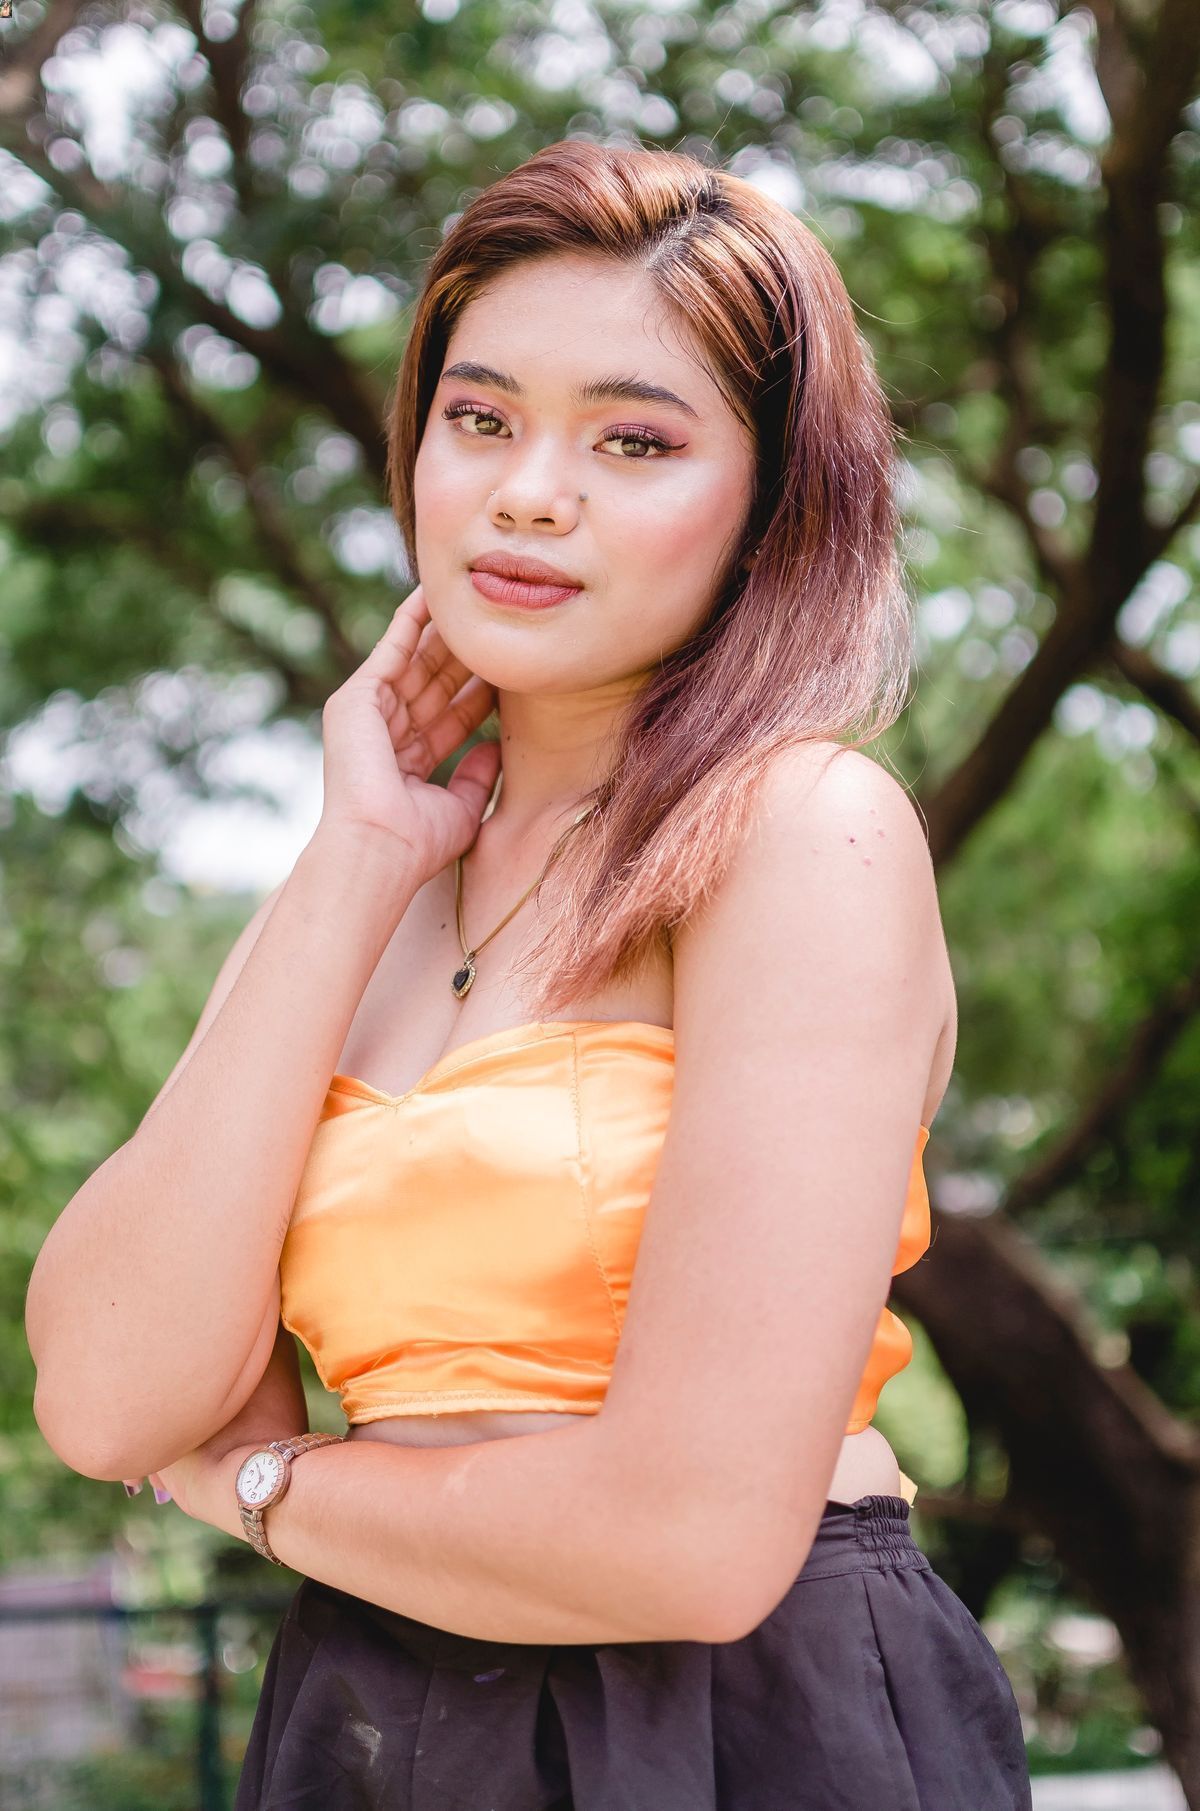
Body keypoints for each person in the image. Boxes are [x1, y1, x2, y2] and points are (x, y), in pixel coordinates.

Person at [27, 139, 1032, 1807]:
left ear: (771, 503)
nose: (530, 493)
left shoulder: (801, 835)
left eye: (634, 441)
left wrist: (263, 1485)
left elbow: (692, 1543)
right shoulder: (365, 878)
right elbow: (107, 1392)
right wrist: (359, 855)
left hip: (735, 1719)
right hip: (371, 1708)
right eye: (480, 418)